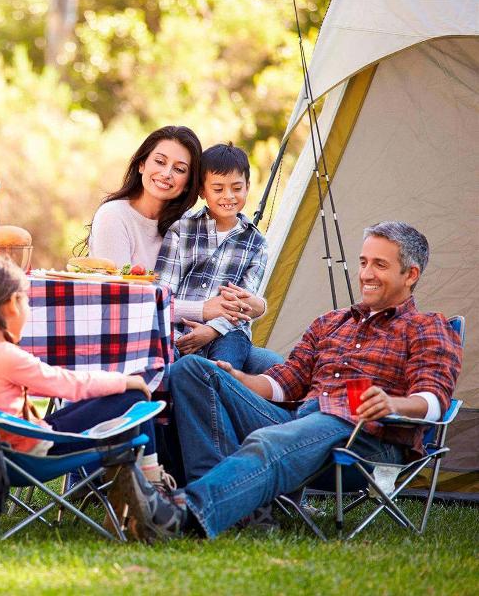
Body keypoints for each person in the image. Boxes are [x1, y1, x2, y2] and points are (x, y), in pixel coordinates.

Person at [164, 221, 462, 538]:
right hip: (299, 420)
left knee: (271, 440)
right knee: (192, 370)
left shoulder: (428, 327)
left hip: (363, 437)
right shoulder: (330, 322)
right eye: (363, 262)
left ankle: (180, 512)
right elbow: (286, 381)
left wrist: (392, 403)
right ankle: (237, 510)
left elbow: (434, 399)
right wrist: (238, 379)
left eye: (380, 265)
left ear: (410, 275)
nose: (367, 274)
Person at [0, 257, 185, 540]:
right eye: (27, 302)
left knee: (118, 398)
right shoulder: (2, 356)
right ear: (11, 303)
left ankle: (136, 497)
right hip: (28, 453)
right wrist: (124, 380)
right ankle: (151, 496)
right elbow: (65, 384)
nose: (28, 310)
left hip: (2, 445)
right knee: (133, 394)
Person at [156, 142, 274, 370]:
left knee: (222, 373)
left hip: (228, 333)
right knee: (174, 371)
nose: (228, 196)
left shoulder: (256, 244)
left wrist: (211, 330)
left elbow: (244, 304)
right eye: (218, 189)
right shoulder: (182, 230)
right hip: (178, 330)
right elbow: (162, 293)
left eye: (237, 188)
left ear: (248, 186)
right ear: (202, 190)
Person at [79, 125, 202, 271]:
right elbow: (120, 288)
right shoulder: (113, 215)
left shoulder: (191, 225)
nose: (166, 173)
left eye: (179, 169)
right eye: (160, 162)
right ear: (141, 165)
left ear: (189, 183)